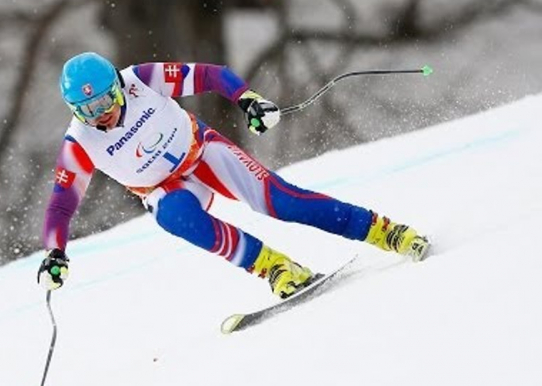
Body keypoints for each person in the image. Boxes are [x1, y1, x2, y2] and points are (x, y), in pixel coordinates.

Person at [37, 52, 430, 299]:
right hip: (164, 187)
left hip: (201, 151)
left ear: (118, 88)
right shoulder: (80, 142)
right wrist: (56, 253)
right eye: (87, 110)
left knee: (282, 202)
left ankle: (384, 230)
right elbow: (61, 204)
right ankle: (276, 269)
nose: (100, 114)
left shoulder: (141, 79)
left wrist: (249, 100)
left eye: (105, 101)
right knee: (176, 217)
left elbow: (211, 75)